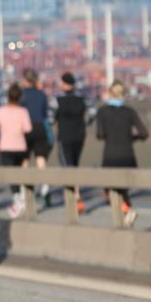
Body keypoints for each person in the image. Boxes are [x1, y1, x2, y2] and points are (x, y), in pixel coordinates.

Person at [97, 81, 149, 228]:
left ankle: (127, 212)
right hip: (128, 155)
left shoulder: (102, 111)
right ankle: (126, 218)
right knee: (123, 192)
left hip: (110, 156)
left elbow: (100, 134)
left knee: (109, 192)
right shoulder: (130, 112)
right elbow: (144, 133)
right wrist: (131, 138)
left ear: (110, 93)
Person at [0, 83, 33, 219]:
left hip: (6, 147)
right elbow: (28, 129)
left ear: (7, 96)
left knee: (11, 176)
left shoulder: (0, 111)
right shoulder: (23, 111)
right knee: (20, 174)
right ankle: (22, 198)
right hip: (21, 147)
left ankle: (18, 200)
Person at [55, 72, 88, 213]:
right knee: (74, 164)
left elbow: (51, 117)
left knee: (67, 165)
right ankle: (76, 193)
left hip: (64, 136)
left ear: (63, 83)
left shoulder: (57, 100)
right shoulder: (81, 99)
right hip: (79, 135)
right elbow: (91, 114)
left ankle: (73, 197)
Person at [20, 68, 51, 199]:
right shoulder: (42, 95)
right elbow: (45, 114)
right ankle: (44, 184)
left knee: (24, 159)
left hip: (25, 128)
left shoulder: (22, 95)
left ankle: (25, 187)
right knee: (40, 157)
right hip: (39, 128)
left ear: (26, 80)